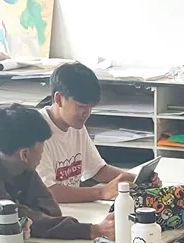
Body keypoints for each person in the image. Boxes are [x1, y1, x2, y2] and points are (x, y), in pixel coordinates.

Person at [0, 104, 115, 243]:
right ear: (25, 154)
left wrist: (34, 220)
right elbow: (18, 221)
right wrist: (92, 230)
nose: (43, 150)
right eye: (42, 145)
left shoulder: (18, 165)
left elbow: (49, 212)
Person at [37, 62, 135, 203]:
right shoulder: (36, 131)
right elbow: (49, 192)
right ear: (59, 99)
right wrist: (101, 191)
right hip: (51, 213)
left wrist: (135, 179)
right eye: (81, 106)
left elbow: (98, 170)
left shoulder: (76, 125)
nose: (87, 113)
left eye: (90, 107)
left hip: (72, 209)